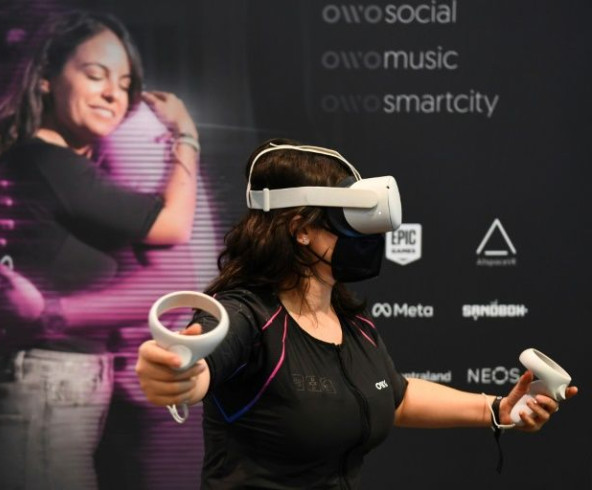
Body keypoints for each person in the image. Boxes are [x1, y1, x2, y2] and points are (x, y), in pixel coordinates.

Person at [135, 138, 579, 489]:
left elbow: (395, 396)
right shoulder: (248, 317)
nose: (366, 237)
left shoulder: (351, 323)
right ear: (301, 229)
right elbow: (199, 360)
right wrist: (177, 372)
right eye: (349, 219)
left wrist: (499, 408)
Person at [0, 10, 199, 490]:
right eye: (95, 75)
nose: (115, 93)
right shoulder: (52, 164)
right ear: (46, 77)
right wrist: (187, 137)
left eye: (125, 82)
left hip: (38, 401)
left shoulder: (33, 160)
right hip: (41, 408)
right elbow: (173, 227)